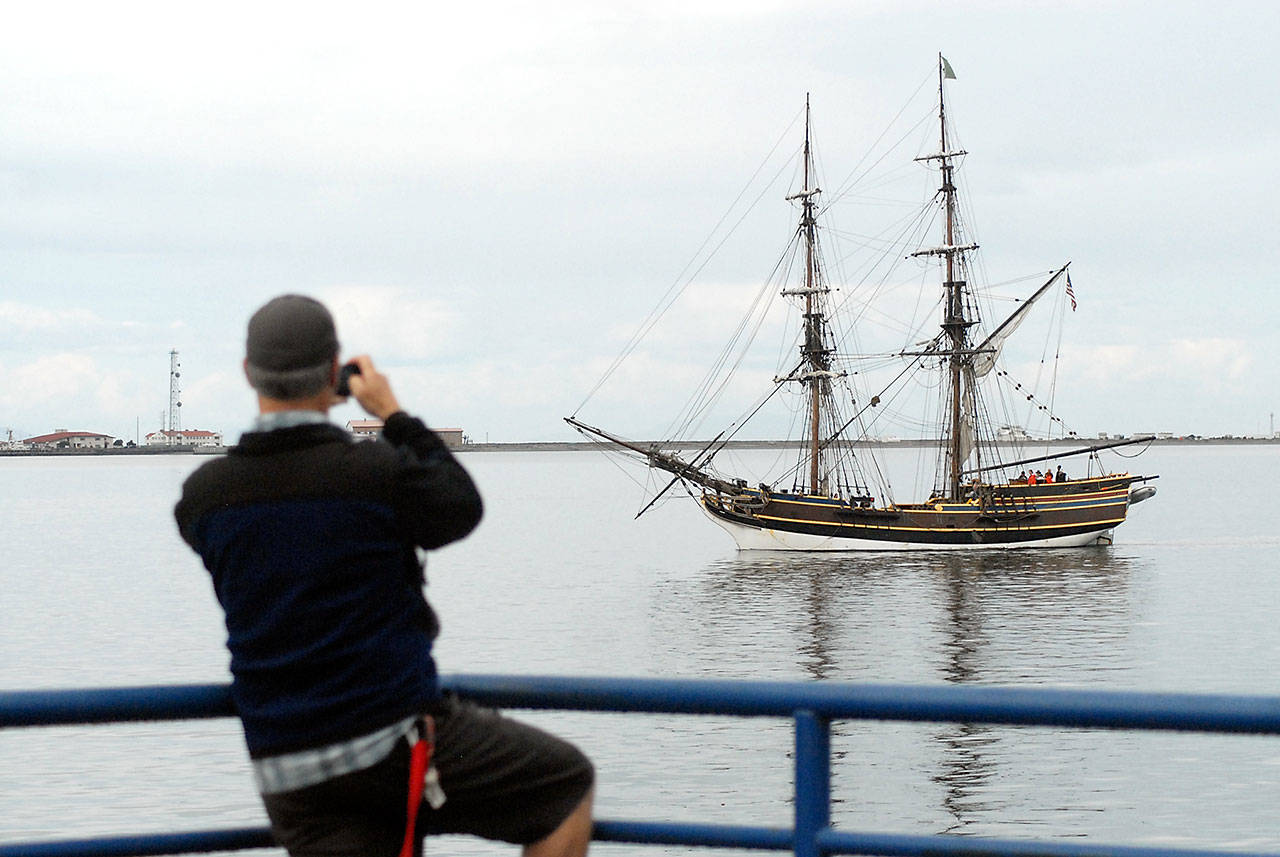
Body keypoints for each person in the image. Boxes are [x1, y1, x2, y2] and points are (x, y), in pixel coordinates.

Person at [174, 295, 594, 857]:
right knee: (565, 786)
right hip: (392, 742)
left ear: (249, 373)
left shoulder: (204, 497)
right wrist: (394, 416)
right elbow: (459, 506)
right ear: (334, 373)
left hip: (286, 767)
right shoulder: (376, 473)